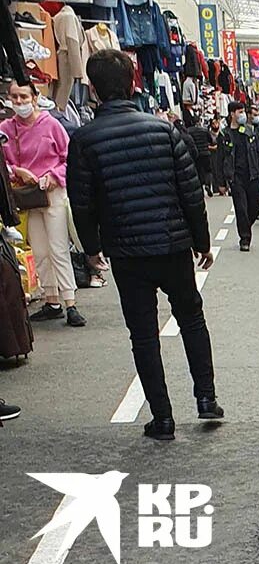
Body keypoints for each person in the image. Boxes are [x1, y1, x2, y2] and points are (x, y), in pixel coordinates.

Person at [66, 49, 223, 441]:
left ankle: (163, 418)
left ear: (94, 89)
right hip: (172, 244)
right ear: (135, 83)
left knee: (144, 334)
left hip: (126, 250)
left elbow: (81, 201)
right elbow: (190, 192)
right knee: (191, 318)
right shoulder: (164, 131)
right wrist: (202, 242)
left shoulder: (84, 140)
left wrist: (91, 247)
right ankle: (206, 398)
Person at [1, 80, 84, 327]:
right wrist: (18, 171)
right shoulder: (6, 129)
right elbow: (3, 164)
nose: (19, 103)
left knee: (59, 249)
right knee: (39, 250)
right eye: (14, 98)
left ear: (35, 98)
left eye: (23, 97)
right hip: (27, 194)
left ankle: (70, 302)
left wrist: (53, 177)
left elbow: (69, 160)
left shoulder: (51, 125)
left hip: (52, 192)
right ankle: (51, 300)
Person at [213, 102, 259, 252]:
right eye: (240, 112)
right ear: (232, 114)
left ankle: (247, 225)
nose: (243, 115)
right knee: (241, 209)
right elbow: (219, 160)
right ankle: (245, 238)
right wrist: (221, 182)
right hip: (236, 177)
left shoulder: (250, 131)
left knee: (254, 207)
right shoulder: (224, 135)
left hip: (253, 175)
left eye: (244, 111)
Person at [184, 113, 214, 196]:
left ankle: (200, 188)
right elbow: (211, 140)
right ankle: (208, 184)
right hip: (206, 152)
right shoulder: (204, 130)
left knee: (198, 171)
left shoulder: (189, 131)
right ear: (199, 121)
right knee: (208, 170)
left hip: (196, 154)